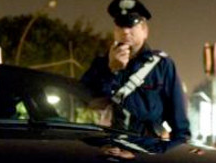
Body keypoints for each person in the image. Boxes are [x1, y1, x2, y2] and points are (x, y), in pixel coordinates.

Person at [80, 0, 190, 141]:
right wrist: (111, 71)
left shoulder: (161, 65)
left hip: (146, 150)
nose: (125, 31)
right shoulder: (101, 63)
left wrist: (180, 148)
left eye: (131, 24)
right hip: (108, 145)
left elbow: (178, 119)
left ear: (144, 30)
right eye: (120, 25)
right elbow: (84, 101)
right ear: (115, 30)